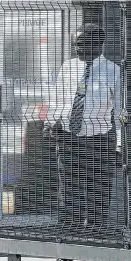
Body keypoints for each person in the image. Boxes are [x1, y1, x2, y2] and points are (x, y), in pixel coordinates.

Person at [44, 24, 120, 233]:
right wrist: (50, 122)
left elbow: (121, 111)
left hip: (100, 138)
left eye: (83, 44)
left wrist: (120, 145)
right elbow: (57, 99)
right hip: (69, 136)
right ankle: (71, 226)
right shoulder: (67, 67)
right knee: (68, 185)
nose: (78, 49)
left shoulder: (113, 71)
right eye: (76, 45)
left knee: (98, 187)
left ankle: (96, 229)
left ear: (99, 45)